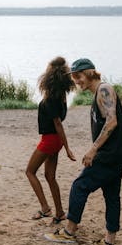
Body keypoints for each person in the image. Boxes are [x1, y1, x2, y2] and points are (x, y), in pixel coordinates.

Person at [44, 58, 122, 245]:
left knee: (80, 186)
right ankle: (110, 239)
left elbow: (112, 121)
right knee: (111, 194)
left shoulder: (104, 89)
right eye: (74, 77)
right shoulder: (98, 93)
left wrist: (93, 150)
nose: (76, 80)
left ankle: (69, 231)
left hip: (110, 153)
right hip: (116, 153)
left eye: (79, 76)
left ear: (90, 73)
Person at [26, 57, 76, 225]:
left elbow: (58, 124)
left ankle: (45, 208)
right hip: (54, 141)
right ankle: (60, 212)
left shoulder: (52, 98)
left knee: (30, 172)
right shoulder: (61, 95)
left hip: (50, 140)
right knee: (49, 176)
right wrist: (64, 146)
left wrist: (68, 148)